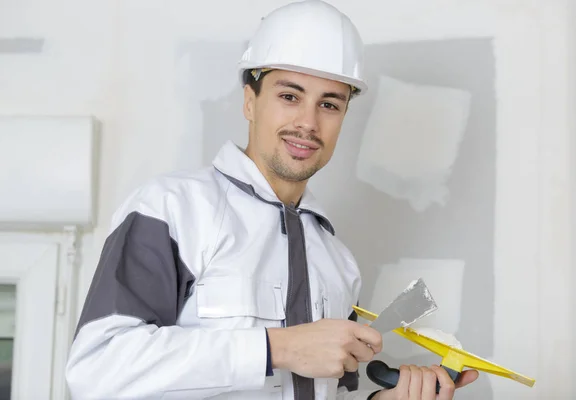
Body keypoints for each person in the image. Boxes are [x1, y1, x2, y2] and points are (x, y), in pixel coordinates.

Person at [65, 1, 478, 399]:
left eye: (329, 105)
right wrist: (276, 348)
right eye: (289, 96)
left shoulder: (337, 261)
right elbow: (96, 371)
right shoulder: (172, 210)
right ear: (250, 100)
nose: (308, 123)